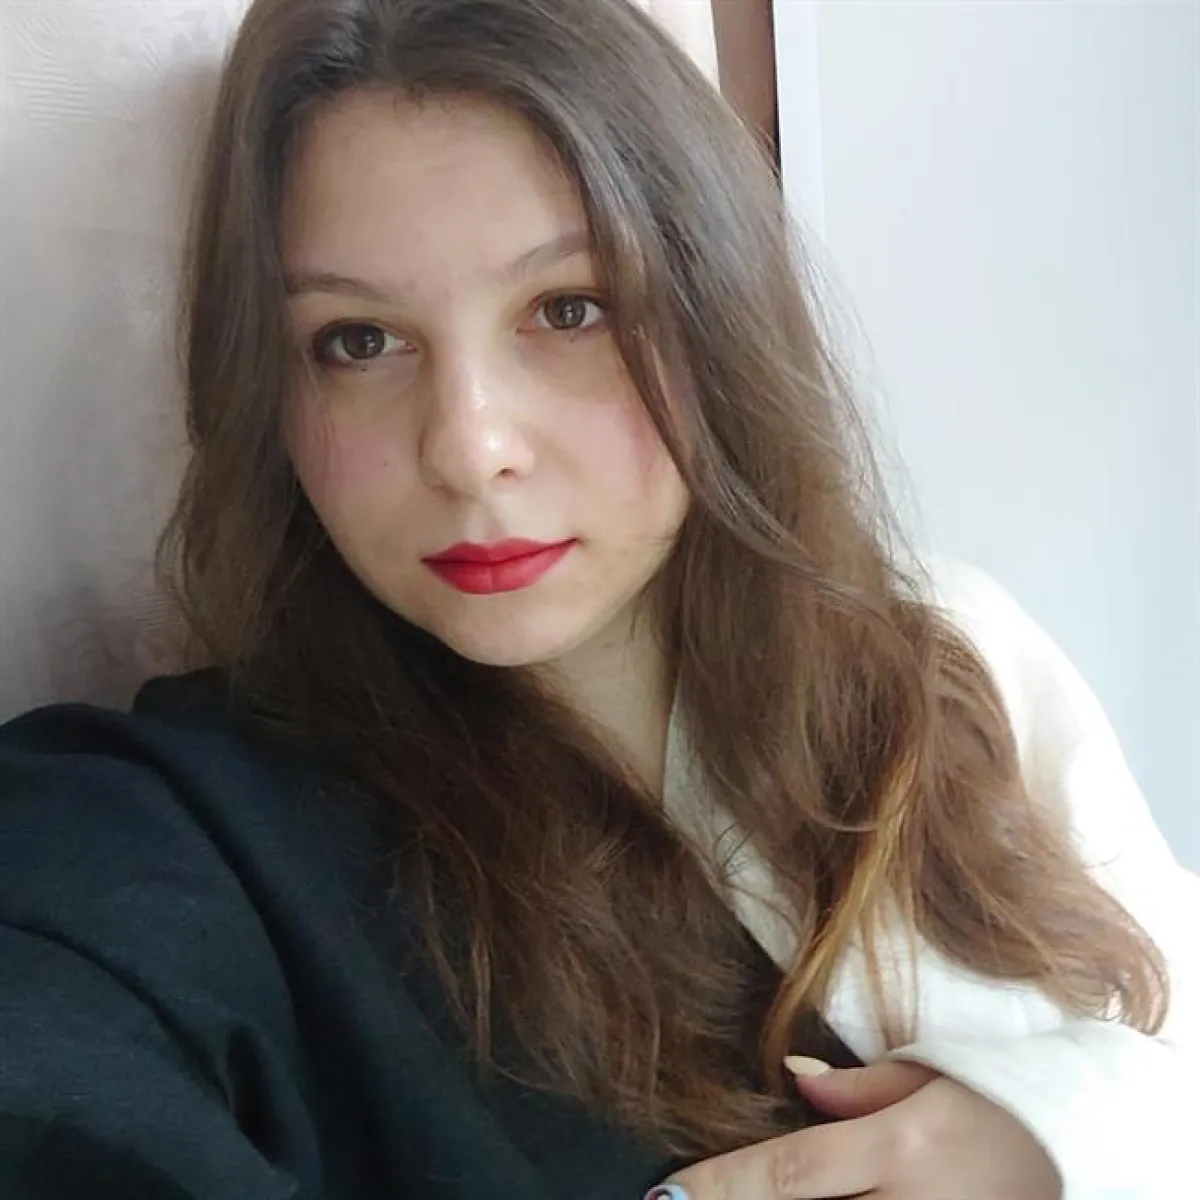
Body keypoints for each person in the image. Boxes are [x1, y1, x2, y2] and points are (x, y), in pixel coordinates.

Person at [0, 0, 1195, 1196]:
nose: (469, 449)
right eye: (358, 341)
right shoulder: (167, 829)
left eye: (569, 310)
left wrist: (1073, 1137)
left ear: (716, 310)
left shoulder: (946, 655)